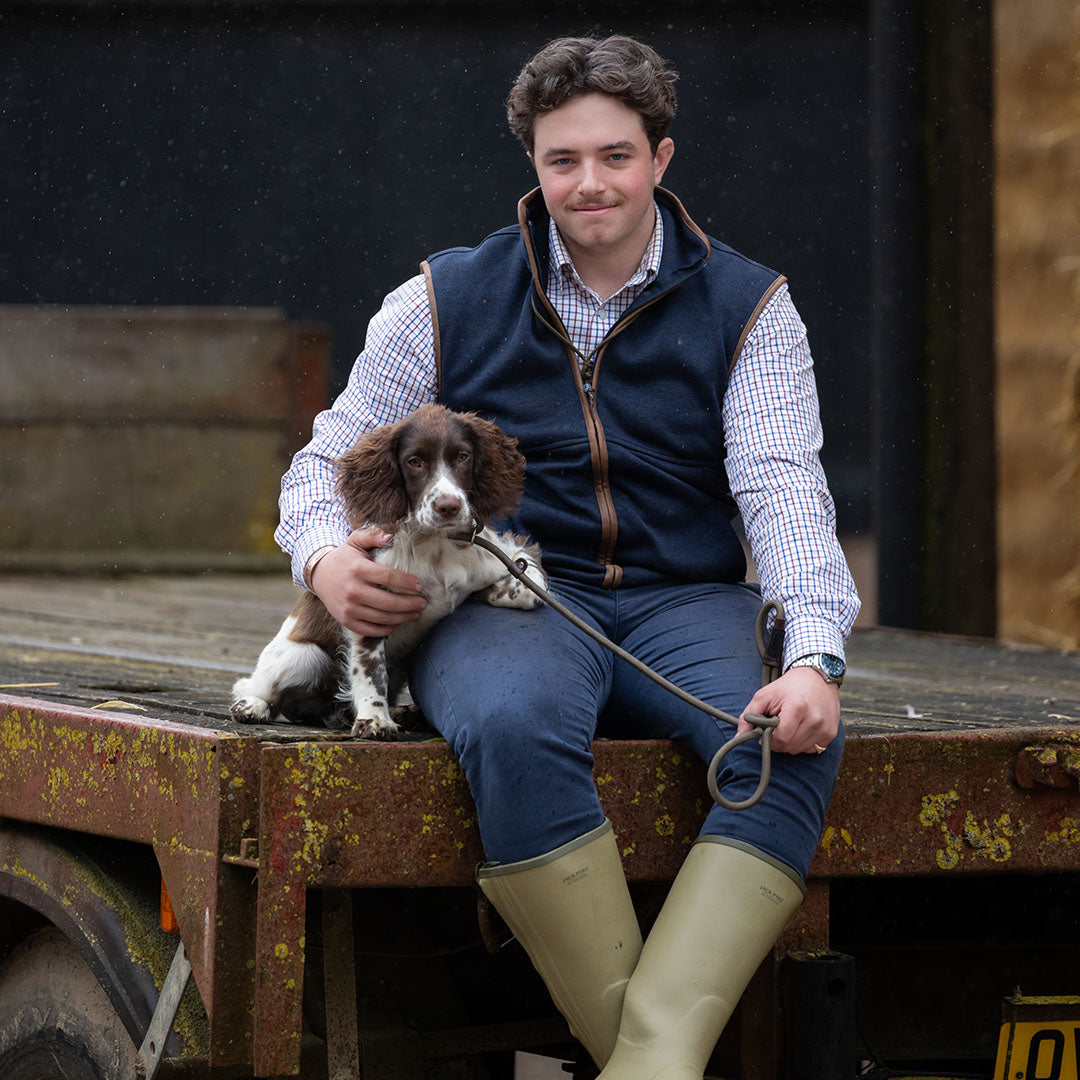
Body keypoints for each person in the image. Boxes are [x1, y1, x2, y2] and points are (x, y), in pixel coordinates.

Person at [276, 34, 860, 1080]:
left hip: (687, 600)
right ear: (534, 167)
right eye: (562, 161)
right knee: (507, 723)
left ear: (661, 159)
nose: (589, 183)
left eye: (616, 156)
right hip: (508, 600)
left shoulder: (750, 307)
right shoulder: (443, 299)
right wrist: (324, 560)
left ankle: (648, 1062)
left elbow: (784, 488)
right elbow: (323, 458)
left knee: (788, 739)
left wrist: (814, 655)